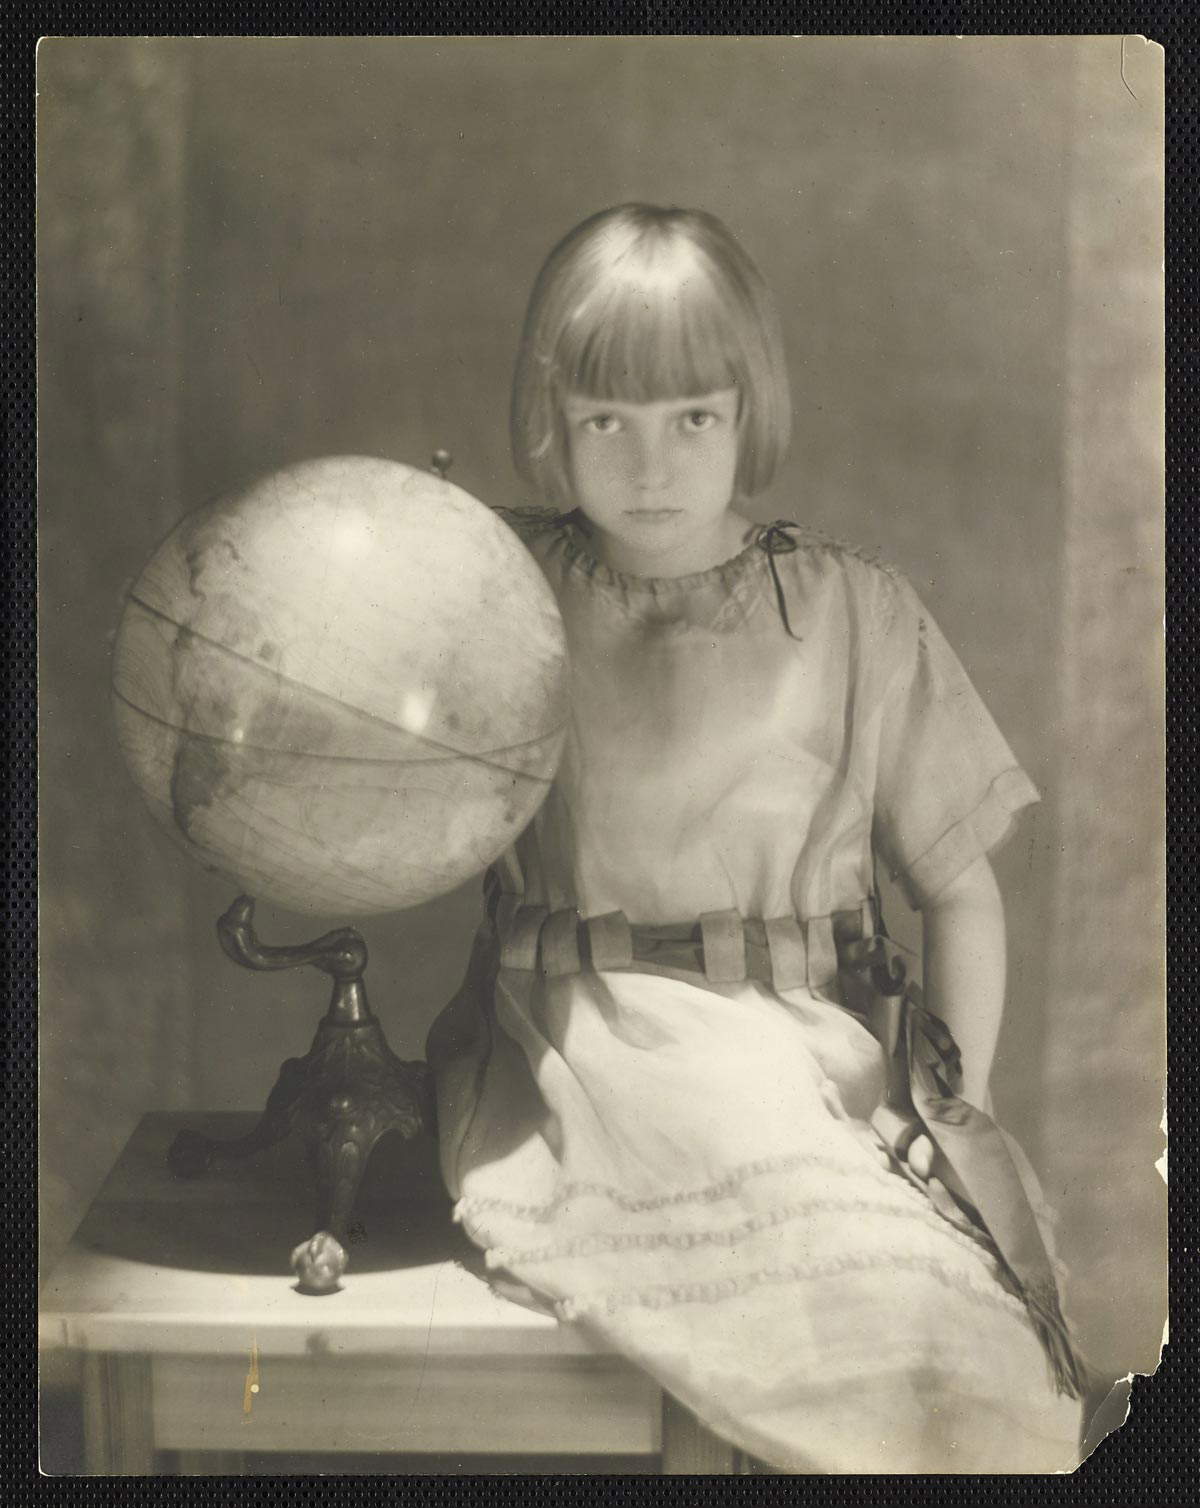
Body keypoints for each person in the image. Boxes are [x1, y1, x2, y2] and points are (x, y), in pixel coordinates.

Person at [427, 204, 1088, 1473]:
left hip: (818, 1050)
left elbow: (961, 890)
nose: (650, 465)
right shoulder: (508, 591)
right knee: (806, 1310)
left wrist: (961, 1096)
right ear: (551, 420)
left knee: (951, 1341)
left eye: (694, 418)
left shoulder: (851, 608)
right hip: (590, 1045)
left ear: (749, 413)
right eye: (604, 420)